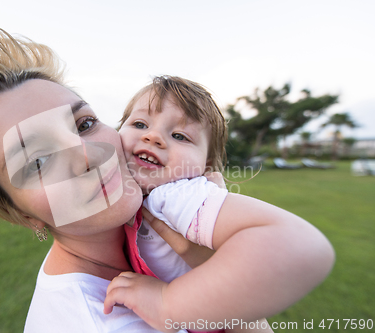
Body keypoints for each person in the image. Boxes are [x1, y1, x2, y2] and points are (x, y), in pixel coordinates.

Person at [0, 24, 334, 333]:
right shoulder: (97, 321)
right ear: (16, 212)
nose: (88, 154)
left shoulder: (161, 214)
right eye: (40, 160)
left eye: (83, 124)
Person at [102, 76, 335, 332]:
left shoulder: (176, 195)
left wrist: (167, 304)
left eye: (180, 135)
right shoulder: (128, 193)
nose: (154, 136)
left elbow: (299, 243)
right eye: (139, 123)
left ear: (205, 166)